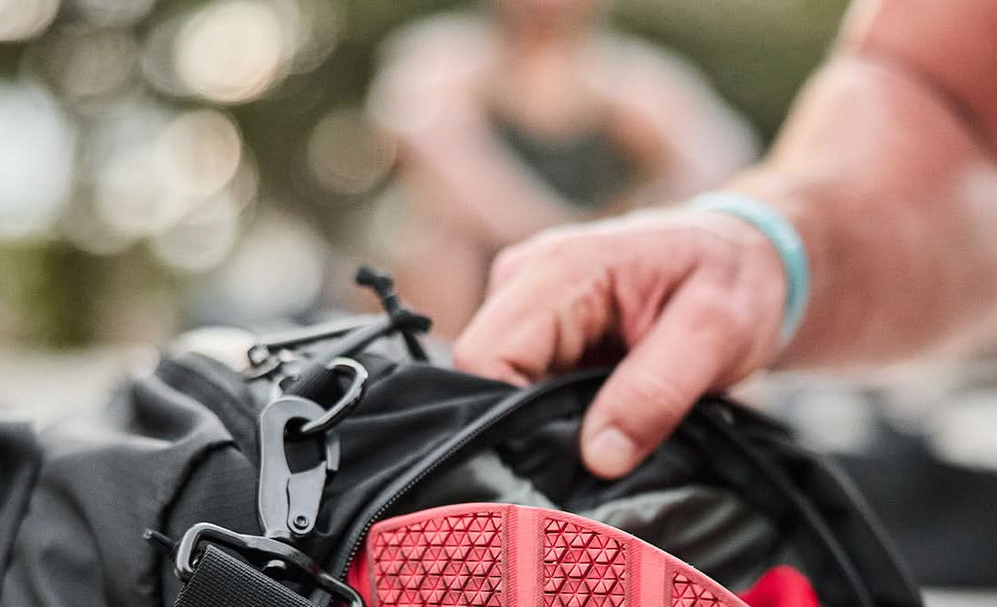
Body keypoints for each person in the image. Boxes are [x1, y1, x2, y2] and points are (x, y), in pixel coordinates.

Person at [453, 0, 997, 479]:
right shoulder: (444, 67)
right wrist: (757, 247)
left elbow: (711, 152)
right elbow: (939, 101)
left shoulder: (637, 81)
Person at [368, 0, 756, 337]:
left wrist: (641, 216)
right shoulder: (444, 57)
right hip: (478, 277)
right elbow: (426, 139)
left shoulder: (637, 79)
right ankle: (442, 379)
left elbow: (724, 161)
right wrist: (555, 237)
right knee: (442, 247)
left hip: (601, 274)